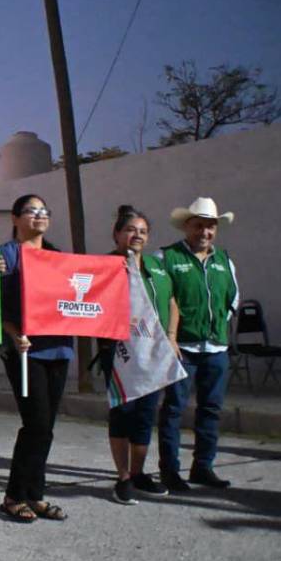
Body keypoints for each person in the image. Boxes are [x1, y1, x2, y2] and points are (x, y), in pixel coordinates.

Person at [0, 194, 73, 523]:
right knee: (36, 424)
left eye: (44, 211)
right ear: (15, 218)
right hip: (26, 350)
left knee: (47, 426)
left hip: (59, 347)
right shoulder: (5, 256)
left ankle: (35, 494)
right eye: (31, 211)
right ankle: (14, 496)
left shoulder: (59, 257)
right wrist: (14, 334)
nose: (39, 215)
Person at [157, 197, 238, 492]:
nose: (205, 232)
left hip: (216, 349)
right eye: (199, 225)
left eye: (210, 226)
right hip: (181, 348)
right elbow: (161, 298)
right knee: (173, 409)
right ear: (187, 227)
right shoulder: (167, 257)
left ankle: (203, 467)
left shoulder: (224, 260)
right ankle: (169, 471)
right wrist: (171, 335)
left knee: (211, 409)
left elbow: (232, 299)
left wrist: (216, 326)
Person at [99, 206, 175, 505]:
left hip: (153, 352)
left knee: (145, 413)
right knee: (123, 413)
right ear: (117, 234)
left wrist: (171, 337)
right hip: (119, 353)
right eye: (131, 230)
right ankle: (122, 478)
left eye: (143, 231)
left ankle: (138, 473)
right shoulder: (105, 266)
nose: (137, 235)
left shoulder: (156, 267)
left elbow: (171, 301)